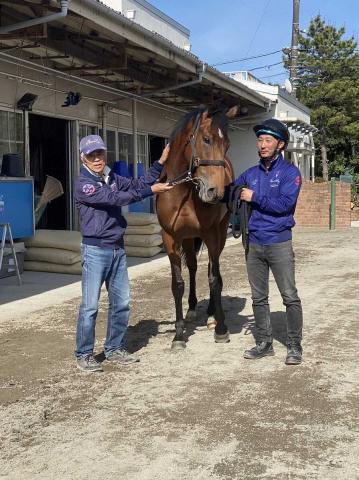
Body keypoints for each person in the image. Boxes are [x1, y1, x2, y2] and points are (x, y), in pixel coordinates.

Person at [74, 134, 172, 373]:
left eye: (100, 154)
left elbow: (138, 183)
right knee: (90, 306)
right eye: (91, 155)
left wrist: (160, 162)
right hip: (96, 250)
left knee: (122, 303)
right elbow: (114, 198)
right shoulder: (83, 184)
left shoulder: (111, 177)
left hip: (118, 249)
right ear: (82, 158)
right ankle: (84, 354)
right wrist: (151, 190)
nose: (97, 159)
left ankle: (114, 348)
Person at [225, 119, 303, 365]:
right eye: (260, 140)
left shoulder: (291, 173)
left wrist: (254, 197)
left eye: (268, 140)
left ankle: (294, 345)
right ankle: (264, 343)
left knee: (289, 296)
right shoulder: (251, 173)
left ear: (280, 144)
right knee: (258, 298)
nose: (262, 145)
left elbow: (285, 206)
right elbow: (228, 193)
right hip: (254, 244)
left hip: (278, 243)